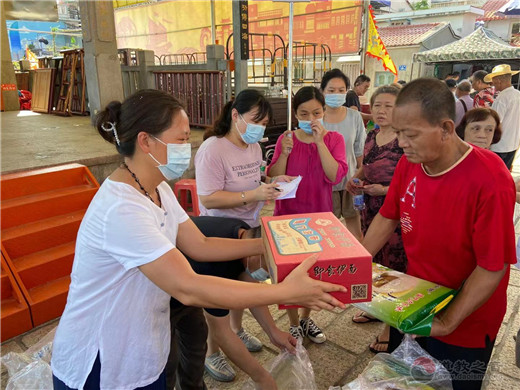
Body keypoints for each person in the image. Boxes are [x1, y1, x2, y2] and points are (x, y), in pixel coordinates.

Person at [50, 89, 347, 390]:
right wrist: (284, 291)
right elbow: (189, 287)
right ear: (145, 141)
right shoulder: (122, 208)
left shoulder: (158, 188)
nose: (188, 147)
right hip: (101, 361)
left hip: (140, 347)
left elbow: (200, 245)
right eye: (180, 139)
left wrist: (270, 245)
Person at [363, 78, 516, 390]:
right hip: (412, 301)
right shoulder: (411, 163)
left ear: (446, 129)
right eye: (398, 132)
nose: (401, 142)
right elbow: (387, 216)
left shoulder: (489, 179)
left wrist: (447, 323)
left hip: (466, 322)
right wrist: (354, 267)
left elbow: (492, 267)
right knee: (403, 382)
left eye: (410, 134)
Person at [193, 89, 293, 383]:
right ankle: (212, 352)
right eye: (255, 120)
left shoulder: (253, 147)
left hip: (247, 226)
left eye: (264, 122)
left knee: (244, 284)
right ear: (235, 116)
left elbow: (253, 179)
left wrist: (273, 181)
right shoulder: (213, 149)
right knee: (219, 298)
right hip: (220, 234)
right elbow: (208, 199)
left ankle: (237, 333)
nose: (260, 128)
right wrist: (254, 193)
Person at [268, 86, 348, 344]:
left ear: (324, 112)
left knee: (314, 273)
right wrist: (286, 152)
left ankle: (306, 318)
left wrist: (320, 142)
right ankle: (293, 324)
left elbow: (335, 175)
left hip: (319, 217)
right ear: (295, 114)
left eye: (316, 112)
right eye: (304, 113)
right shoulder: (286, 138)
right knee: (290, 274)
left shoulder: (334, 139)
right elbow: (274, 174)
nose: (310, 119)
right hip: (287, 217)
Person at [347, 85, 407, 354]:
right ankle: (376, 309)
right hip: (368, 208)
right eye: (378, 105)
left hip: (394, 213)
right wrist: (356, 178)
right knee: (374, 261)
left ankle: (389, 326)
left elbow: (412, 179)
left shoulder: (406, 139)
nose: (382, 111)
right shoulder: (372, 134)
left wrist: (385, 190)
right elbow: (366, 164)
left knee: (394, 266)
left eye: (389, 106)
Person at [321, 68, 366, 240]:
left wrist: (359, 177)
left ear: (347, 91)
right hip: (324, 184)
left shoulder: (354, 116)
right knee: (325, 227)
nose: (336, 94)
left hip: (350, 180)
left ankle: (359, 260)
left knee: (354, 226)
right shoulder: (318, 118)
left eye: (341, 90)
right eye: (331, 90)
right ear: (322, 91)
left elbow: (359, 150)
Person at [485, 64, 520, 170]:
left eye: (493, 81)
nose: (493, 84)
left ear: (498, 81)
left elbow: (494, 122)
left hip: (499, 145)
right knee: (505, 173)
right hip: (513, 143)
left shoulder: (502, 98)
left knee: (495, 174)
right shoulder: (518, 94)